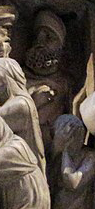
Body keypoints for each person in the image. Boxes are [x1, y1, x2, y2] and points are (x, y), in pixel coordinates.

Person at [25, 10, 70, 149]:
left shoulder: (66, 82)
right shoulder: (20, 75)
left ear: (60, 47)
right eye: (37, 37)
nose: (40, 43)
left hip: (54, 144)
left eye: (49, 37)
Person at [48, 115, 95, 209]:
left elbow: (72, 182)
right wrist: (57, 149)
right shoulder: (55, 155)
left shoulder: (89, 156)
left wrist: (66, 151)